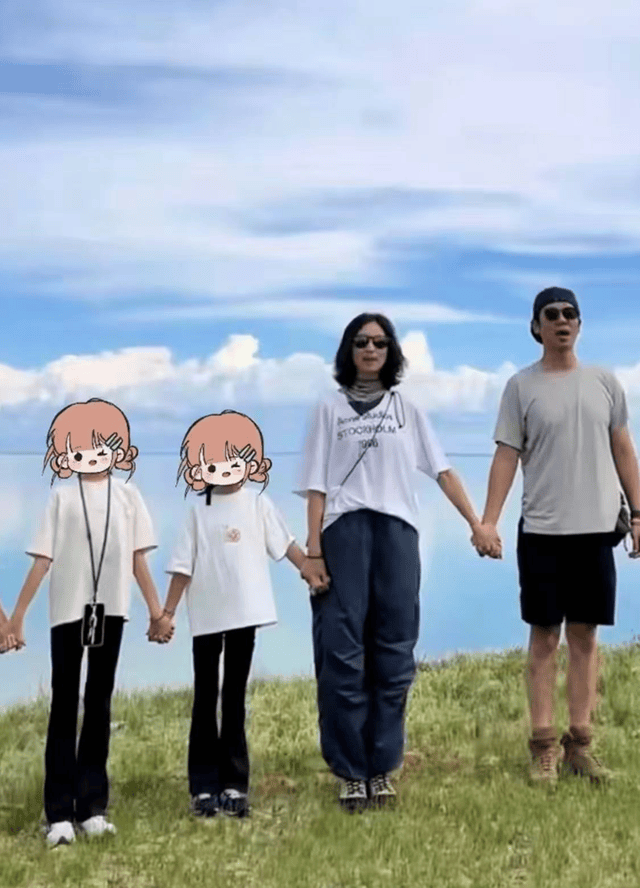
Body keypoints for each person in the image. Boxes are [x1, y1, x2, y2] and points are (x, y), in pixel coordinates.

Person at [295, 312, 498, 812]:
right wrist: (314, 551)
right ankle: (350, 771)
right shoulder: (327, 408)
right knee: (342, 650)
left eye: (380, 343)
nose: (371, 350)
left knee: (394, 649)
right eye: (362, 342)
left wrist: (477, 523)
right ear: (349, 349)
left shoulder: (407, 409)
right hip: (343, 532)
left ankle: (382, 766)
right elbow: (316, 485)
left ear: (391, 352)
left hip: (396, 533)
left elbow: (442, 471)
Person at [474, 287, 640, 784]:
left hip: (596, 532)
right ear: (536, 327)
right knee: (545, 637)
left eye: (571, 314)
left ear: (579, 325)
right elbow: (507, 455)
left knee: (585, 637)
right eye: (552, 315)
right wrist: (488, 521)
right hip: (543, 531)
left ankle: (580, 746)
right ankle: (543, 746)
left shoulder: (604, 382)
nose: (562, 321)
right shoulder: (520, 386)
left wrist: (638, 513)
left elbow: (623, 449)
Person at [4, 398, 173, 846]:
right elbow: (43, 560)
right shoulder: (60, 498)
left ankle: (92, 807)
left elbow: (137, 559)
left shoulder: (129, 496)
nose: (92, 457)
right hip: (67, 612)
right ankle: (59, 814)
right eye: (79, 450)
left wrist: (156, 611)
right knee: (64, 704)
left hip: (110, 611)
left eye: (101, 447)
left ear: (119, 449)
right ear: (64, 456)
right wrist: (17, 618)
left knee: (99, 703)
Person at [163, 411, 316, 819]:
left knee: (233, 698)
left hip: (245, 615)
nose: (225, 469)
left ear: (252, 463)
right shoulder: (197, 512)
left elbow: (285, 544)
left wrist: (308, 568)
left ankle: (234, 784)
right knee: (205, 697)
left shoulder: (257, 503)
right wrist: (167, 612)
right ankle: (202, 787)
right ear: (198, 468)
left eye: (234, 460)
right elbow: (182, 567)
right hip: (206, 618)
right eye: (213, 462)